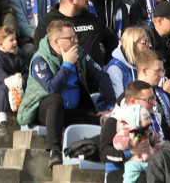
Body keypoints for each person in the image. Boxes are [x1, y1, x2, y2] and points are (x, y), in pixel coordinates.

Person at [17, 18, 115, 167]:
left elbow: (102, 76)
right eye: (71, 38)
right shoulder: (40, 59)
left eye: (75, 36)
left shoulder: (78, 52)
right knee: (55, 99)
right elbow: (52, 89)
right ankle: (54, 151)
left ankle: (96, 154)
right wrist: (67, 64)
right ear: (56, 42)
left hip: (70, 111)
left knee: (104, 121)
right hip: (43, 110)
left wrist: (107, 108)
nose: (76, 41)